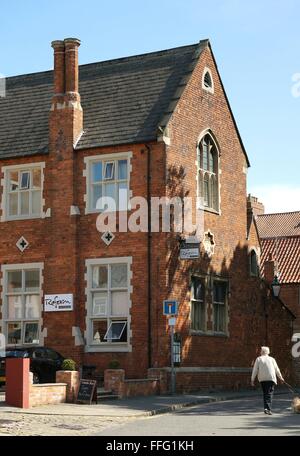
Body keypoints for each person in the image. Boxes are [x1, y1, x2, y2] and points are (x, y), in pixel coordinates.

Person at [251, 346, 284, 415]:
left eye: (260, 351)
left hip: (262, 379)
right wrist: (281, 378)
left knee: (265, 393)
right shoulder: (272, 359)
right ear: (268, 352)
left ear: (262, 352)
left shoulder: (258, 359)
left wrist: (252, 379)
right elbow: (277, 369)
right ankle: (268, 409)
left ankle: (266, 408)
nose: (260, 352)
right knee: (269, 394)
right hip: (271, 378)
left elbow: (255, 370)